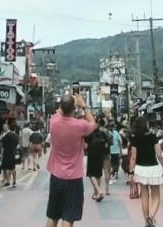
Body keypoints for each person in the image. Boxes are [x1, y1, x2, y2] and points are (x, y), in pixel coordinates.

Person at [45, 93, 96, 227]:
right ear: (74, 109)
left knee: (53, 215)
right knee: (68, 217)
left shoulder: (53, 121)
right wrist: (83, 105)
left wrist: (69, 103)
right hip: (73, 177)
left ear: (61, 107)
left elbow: (60, 111)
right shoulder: (80, 126)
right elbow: (93, 123)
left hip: (56, 176)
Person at [127, 116, 163, 227]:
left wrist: (130, 172)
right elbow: (159, 154)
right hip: (153, 168)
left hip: (140, 169)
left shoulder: (135, 139)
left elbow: (133, 158)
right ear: (146, 125)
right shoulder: (153, 137)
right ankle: (152, 217)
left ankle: (146, 221)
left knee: (144, 196)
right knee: (156, 197)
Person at [86, 118, 111, 201]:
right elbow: (107, 144)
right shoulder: (103, 133)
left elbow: (85, 146)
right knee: (98, 174)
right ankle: (96, 193)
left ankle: (98, 191)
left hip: (92, 155)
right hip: (101, 155)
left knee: (91, 174)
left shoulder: (88, 134)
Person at [1, 121, 20, 188]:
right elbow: (18, 143)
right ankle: (13, 181)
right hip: (12, 152)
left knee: (8, 168)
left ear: (8, 127)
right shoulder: (14, 135)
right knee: (12, 168)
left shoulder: (6, 136)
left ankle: (9, 181)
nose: (4, 128)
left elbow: (2, 145)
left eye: (5, 127)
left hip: (7, 152)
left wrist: (1, 153)